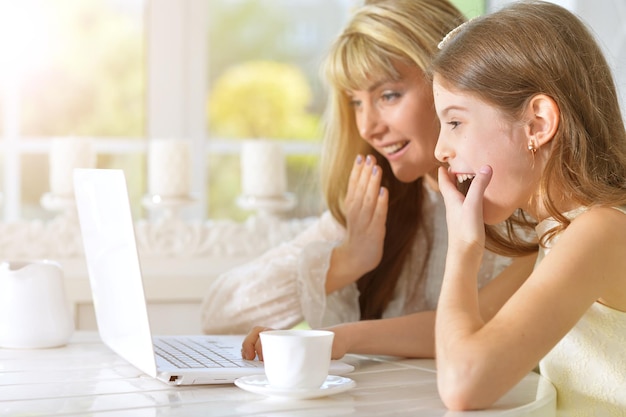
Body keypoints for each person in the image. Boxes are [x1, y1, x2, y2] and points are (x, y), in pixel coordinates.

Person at [201, 0, 511, 335]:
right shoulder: (378, 203)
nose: (367, 127)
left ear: (450, 83)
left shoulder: (516, 205)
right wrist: (347, 260)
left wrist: (342, 340)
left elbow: (470, 330)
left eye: (388, 96)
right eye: (356, 102)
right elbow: (221, 313)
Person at [429, 1, 626, 413]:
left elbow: (464, 384)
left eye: (455, 122)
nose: (440, 149)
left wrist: (464, 250)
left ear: (537, 123)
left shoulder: (602, 230)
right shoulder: (560, 231)